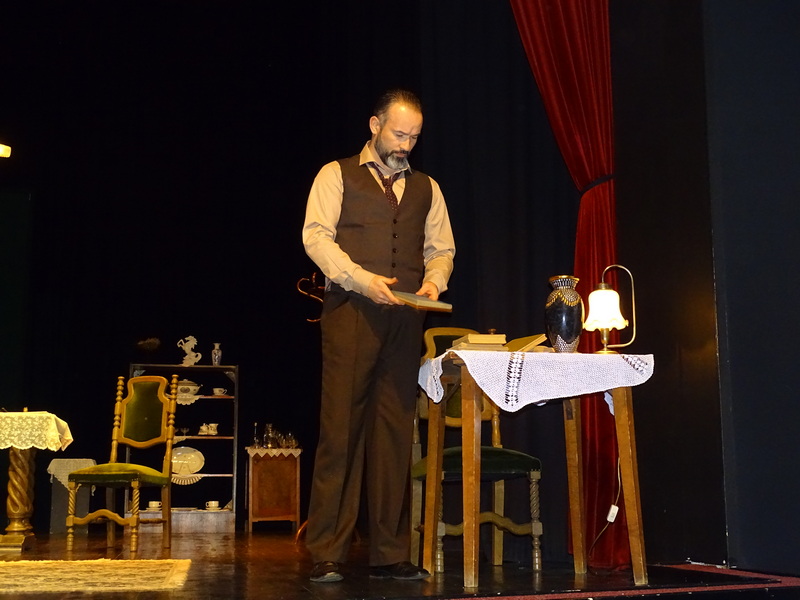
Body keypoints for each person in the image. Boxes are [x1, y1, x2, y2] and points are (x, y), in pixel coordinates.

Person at [301, 89, 455, 583]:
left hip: (405, 321)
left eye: (414, 137)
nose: (405, 144)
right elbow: (315, 236)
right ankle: (328, 549)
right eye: (398, 133)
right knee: (341, 431)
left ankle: (390, 552)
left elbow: (441, 248)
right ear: (375, 125)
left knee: (393, 432)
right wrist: (361, 279)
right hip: (352, 313)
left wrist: (434, 282)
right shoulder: (336, 173)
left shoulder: (428, 187)